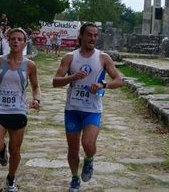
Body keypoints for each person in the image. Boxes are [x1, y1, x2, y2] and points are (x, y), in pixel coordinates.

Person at [52, 22, 123, 192]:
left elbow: (119, 80)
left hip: (92, 109)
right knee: (73, 148)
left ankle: (89, 160)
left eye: (95, 35)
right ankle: (75, 178)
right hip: (73, 109)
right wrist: (73, 77)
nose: (93, 38)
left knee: (88, 144)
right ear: (81, 36)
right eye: (89, 35)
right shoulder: (70, 57)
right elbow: (55, 81)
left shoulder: (103, 58)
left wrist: (103, 85)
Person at [0, 28, 41, 192]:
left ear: (24, 43)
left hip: (18, 110)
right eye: (13, 39)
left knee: (15, 150)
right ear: (8, 41)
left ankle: (11, 179)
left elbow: (36, 87)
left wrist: (36, 99)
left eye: (20, 39)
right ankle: (1, 150)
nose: (16, 41)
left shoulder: (30, 65)